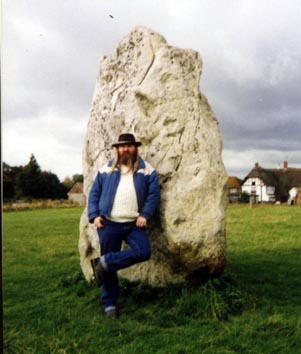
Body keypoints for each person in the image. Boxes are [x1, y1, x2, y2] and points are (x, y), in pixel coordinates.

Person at [88, 133, 160, 318]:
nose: (125, 149)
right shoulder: (106, 170)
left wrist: (145, 214)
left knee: (143, 252)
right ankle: (109, 303)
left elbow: (153, 195)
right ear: (117, 149)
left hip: (134, 224)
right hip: (108, 223)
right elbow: (94, 193)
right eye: (121, 146)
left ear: (135, 148)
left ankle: (104, 262)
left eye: (129, 146)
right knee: (109, 269)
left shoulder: (147, 171)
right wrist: (94, 216)